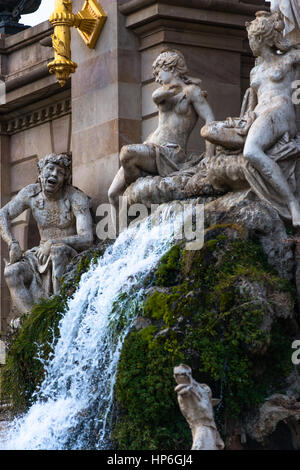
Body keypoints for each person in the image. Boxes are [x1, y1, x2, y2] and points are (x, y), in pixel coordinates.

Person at [201, 11, 300, 227]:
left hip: (280, 112)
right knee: (209, 131)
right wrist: (248, 116)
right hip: (259, 117)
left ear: (264, 39)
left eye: (252, 39)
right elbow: (253, 103)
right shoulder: (255, 72)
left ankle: (292, 203)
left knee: (251, 151)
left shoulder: (291, 58)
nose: (250, 44)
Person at [108, 49, 215, 213]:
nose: (157, 78)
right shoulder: (164, 94)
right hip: (149, 147)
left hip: (170, 152)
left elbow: (210, 120)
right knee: (112, 193)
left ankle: (139, 191)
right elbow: (157, 96)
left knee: (126, 153)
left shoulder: (192, 92)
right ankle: (124, 230)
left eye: (158, 73)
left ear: (170, 68)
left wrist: (209, 155)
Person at [0, 153, 93, 315]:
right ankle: (33, 322)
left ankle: (58, 310)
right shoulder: (31, 194)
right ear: (40, 173)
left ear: (65, 178)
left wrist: (52, 243)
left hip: (70, 254)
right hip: (40, 256)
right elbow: (3, 214)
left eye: (60, 172)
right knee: (11, 272)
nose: (54, 175)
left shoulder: (76, 198)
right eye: (50, 169)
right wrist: (12, 242)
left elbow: (87, 238)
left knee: (57, 250)